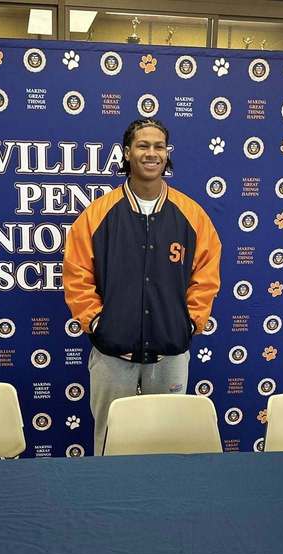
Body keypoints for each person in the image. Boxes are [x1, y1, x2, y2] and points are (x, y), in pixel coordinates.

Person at [63, 117, 221, 455]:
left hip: (169, 353)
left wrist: (191, 321)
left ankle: (163, 505)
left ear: (167, 154)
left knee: (168, 440)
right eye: (143, 145)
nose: (152, 153)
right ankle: (107, 502)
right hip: (112, 354)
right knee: (109, 438)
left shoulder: (192, 214)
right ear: (127, 152)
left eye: (159, 146)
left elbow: (206, 274)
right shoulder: (97, 215)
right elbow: (77, 275)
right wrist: (95, 322)